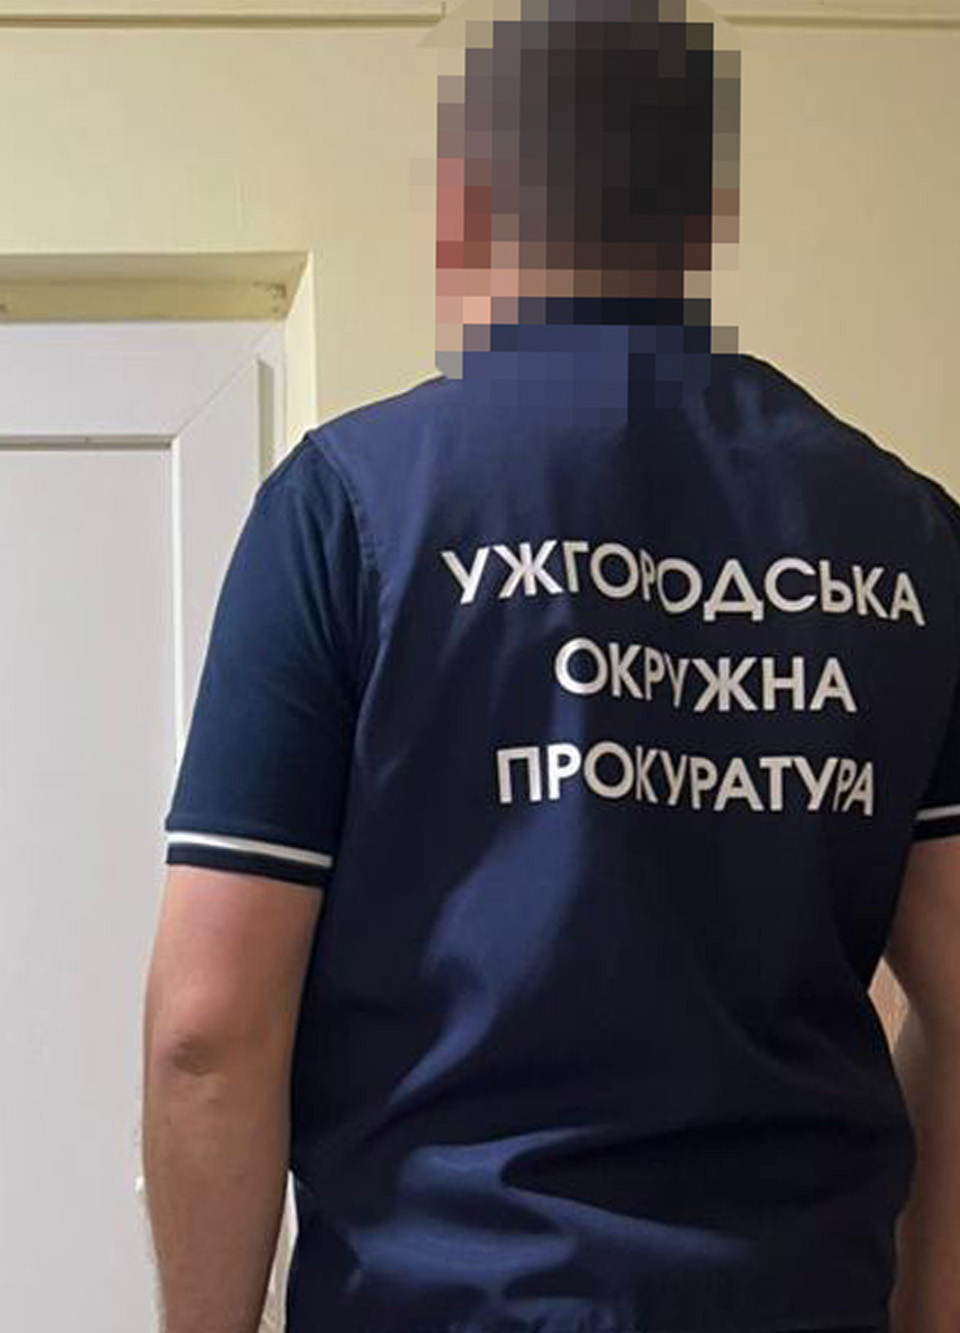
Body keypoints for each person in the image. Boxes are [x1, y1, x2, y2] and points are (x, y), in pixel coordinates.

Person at [141, 4, 960, 1332]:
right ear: (705, 220)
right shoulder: (904, 531)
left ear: (465, 208)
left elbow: (208, 1029)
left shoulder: (349, 507)